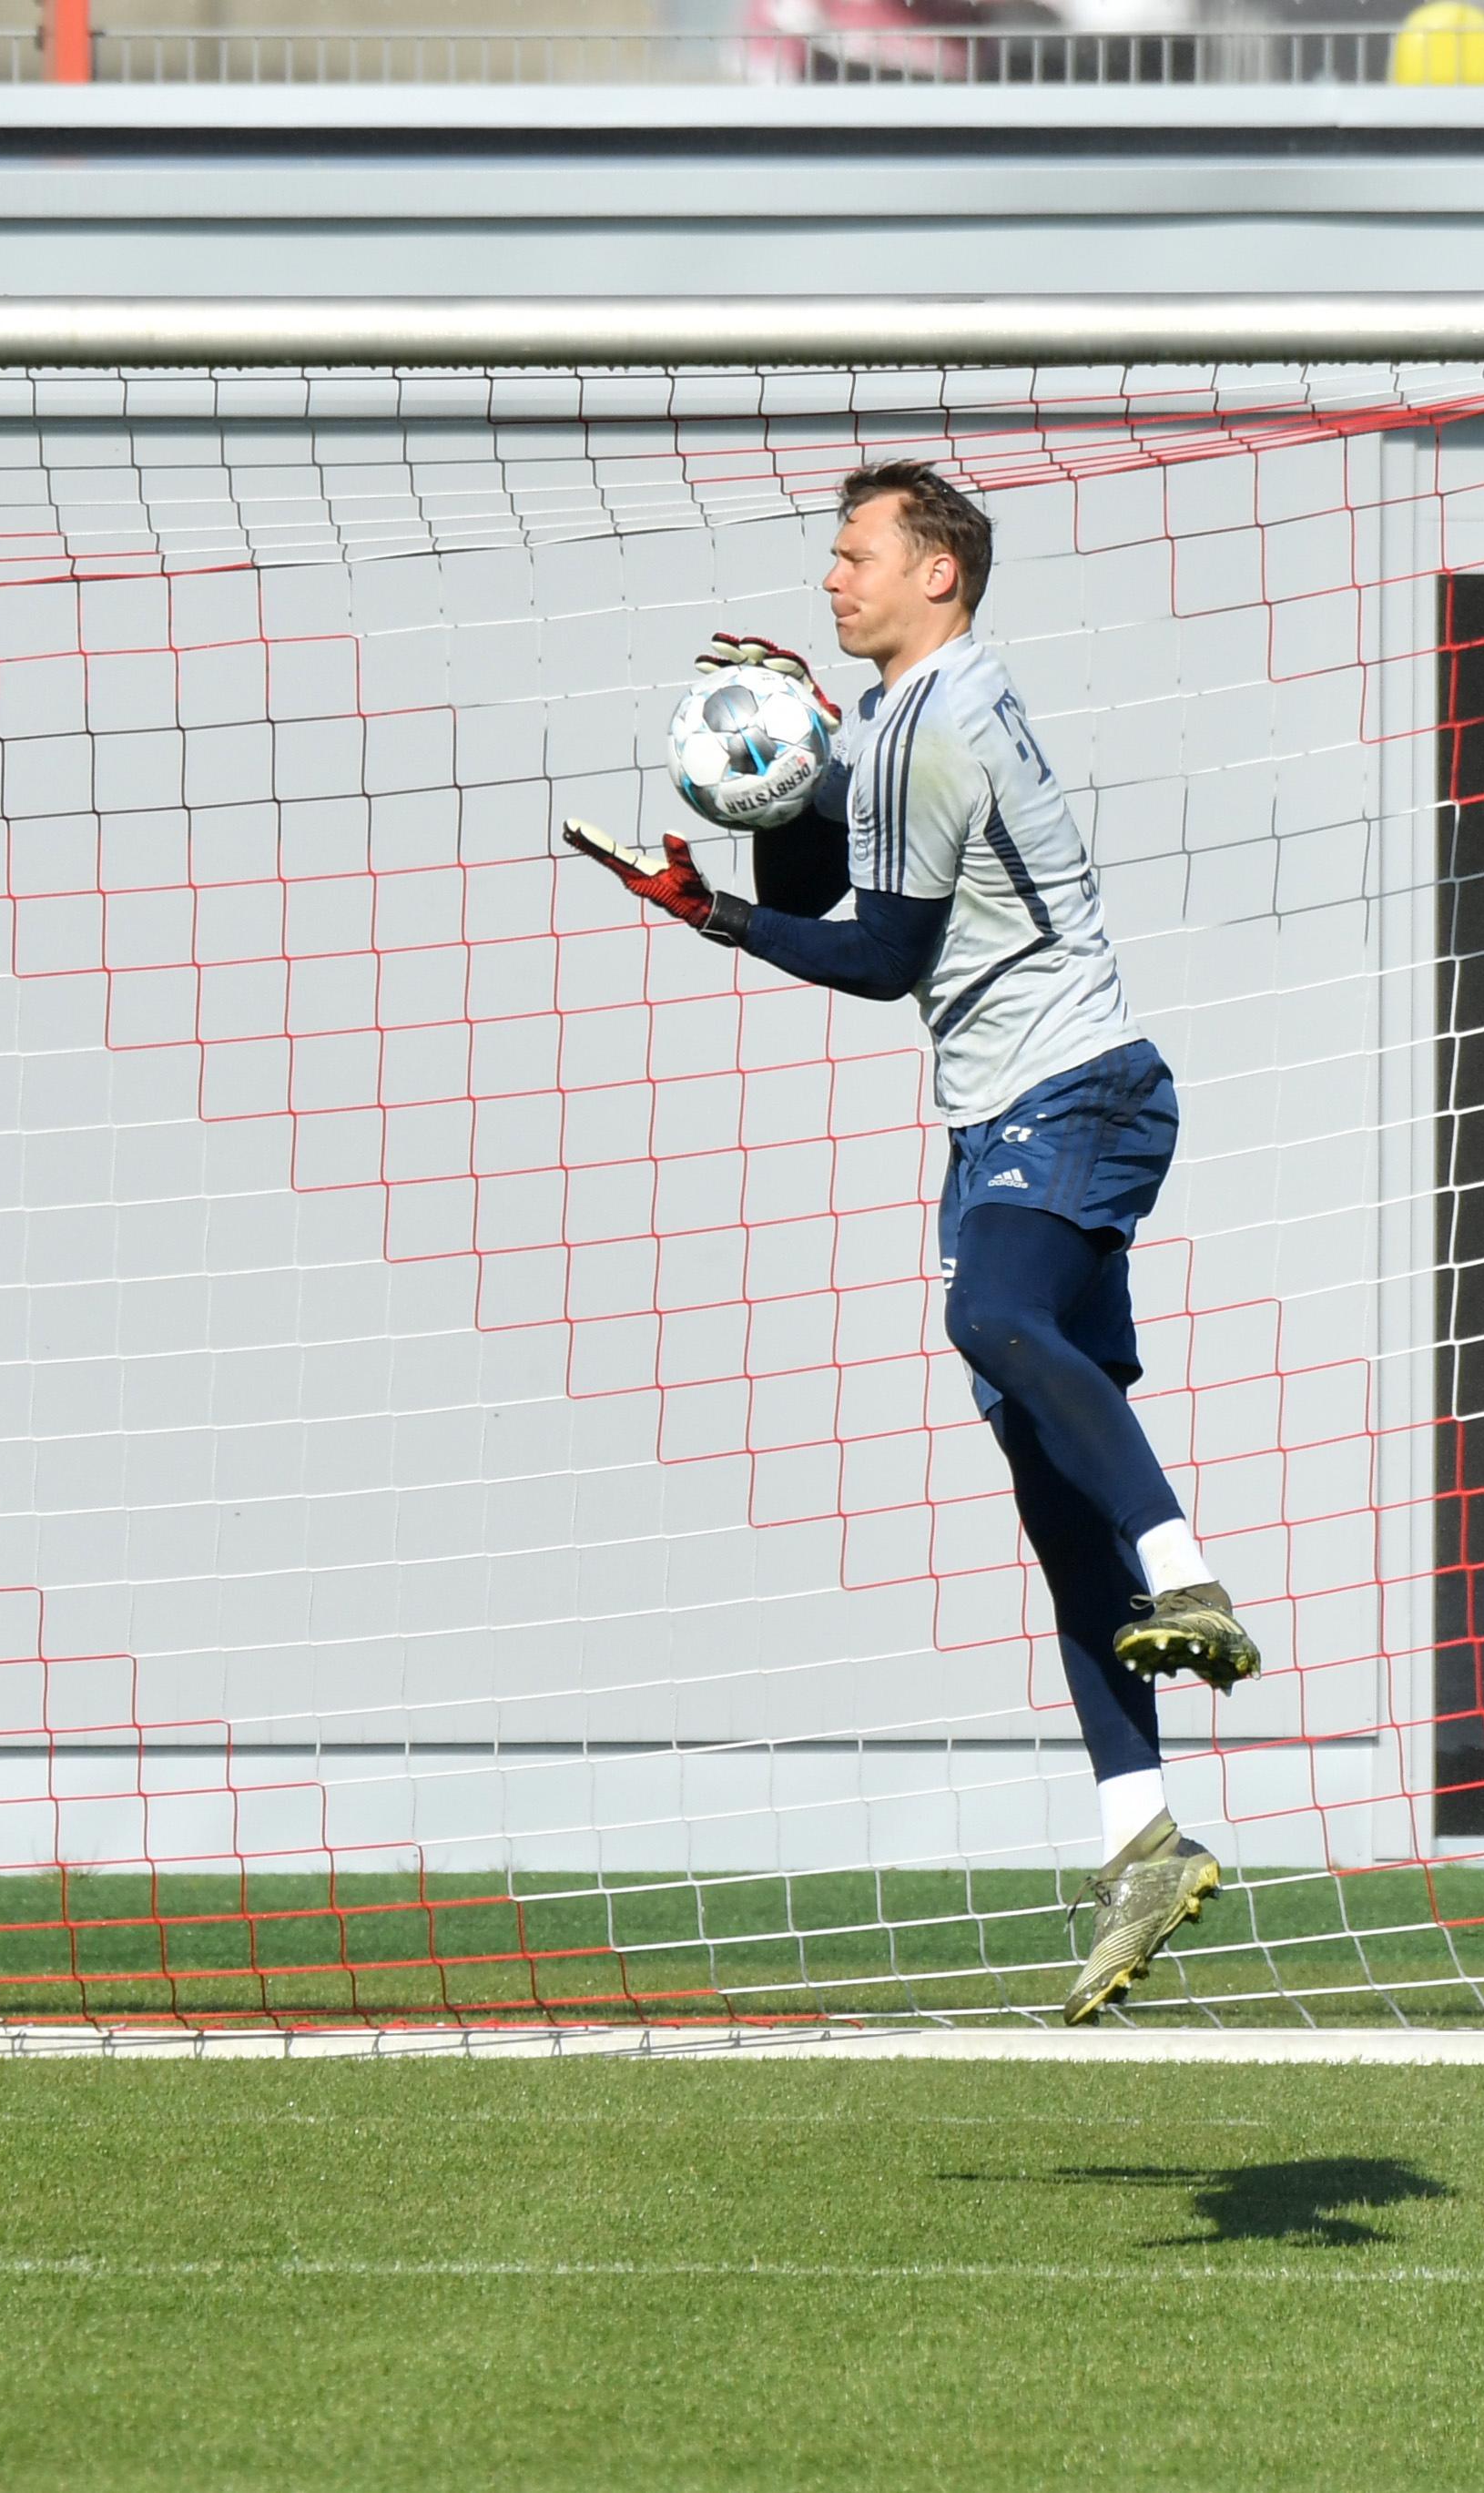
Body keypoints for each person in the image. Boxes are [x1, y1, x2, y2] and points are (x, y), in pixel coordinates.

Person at [570, 462, 1262, 2025]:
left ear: (937, 573)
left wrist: (712, 914)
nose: (832, 576)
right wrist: (780, 776)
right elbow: (830, 870)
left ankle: (1194, 1576)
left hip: (1072, 1094)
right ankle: (1138, 1833)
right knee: (1050, 1497)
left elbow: (878, 955)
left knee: (992, 1319)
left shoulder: (944, 721)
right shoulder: (890, 724)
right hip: (1004, 1119)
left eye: (856, 551)